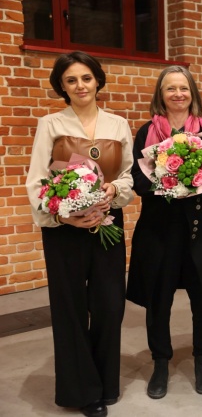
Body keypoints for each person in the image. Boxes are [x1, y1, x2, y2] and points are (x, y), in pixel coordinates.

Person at [26, 51, 134, 417]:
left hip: (107, 224)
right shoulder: (50, 124)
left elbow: (128, 175)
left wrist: (112, 191)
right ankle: (83, 392)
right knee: (70, 308)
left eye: (86, 78)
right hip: (64, 231)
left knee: (109, 305)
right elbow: (38, 181)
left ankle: (106, 382)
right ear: (62, 87)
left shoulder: (118, 124)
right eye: (71, 80)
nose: (80, 85)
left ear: (97, 80)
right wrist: (63, 218)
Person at [126, 66, 202, 399]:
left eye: (183, 88)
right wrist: (169, 182)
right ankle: (160, 362)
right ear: (161, 94)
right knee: (159, 299)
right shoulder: (147, 131)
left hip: (200, 228)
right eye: (170, 88)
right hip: (159, 228)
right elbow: (137, 180)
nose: (178, 94)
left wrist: (197, 181)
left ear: (192, 93)